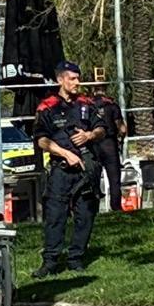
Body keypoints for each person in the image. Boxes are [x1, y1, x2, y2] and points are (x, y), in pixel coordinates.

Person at [31, 61, 107, 278]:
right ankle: (51, 261)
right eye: (72, 78)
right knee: (55, 216)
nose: (77, 82)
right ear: (60, 80)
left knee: (86, 215)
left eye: (78, 78)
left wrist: (89, 135)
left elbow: (102, 128)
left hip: (85, 171)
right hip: (61, 170)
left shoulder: (86, 104)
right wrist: (65, 153)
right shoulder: (47, 107)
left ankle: (76, 258)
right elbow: (41, 140)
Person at [90, 86, 127, 210]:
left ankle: (94, 207)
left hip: (94, 144)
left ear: (94, 91)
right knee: (114, 179)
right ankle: (116, 207)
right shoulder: (112, 105)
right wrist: (121, 137)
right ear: (105, 91)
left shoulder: (88, 105)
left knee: (94, 178)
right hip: (110, 144)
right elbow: (122, 128)